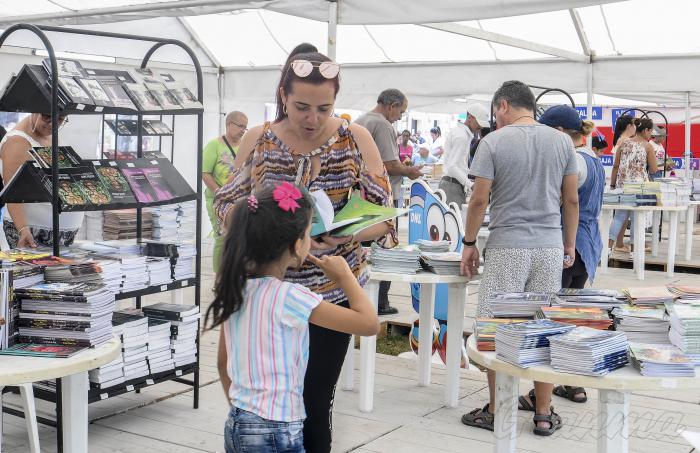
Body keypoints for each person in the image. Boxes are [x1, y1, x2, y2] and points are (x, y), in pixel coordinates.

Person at [214, 49, 396, 453]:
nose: (312, 119)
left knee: (314, 402)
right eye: (300, 107)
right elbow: (227, 206)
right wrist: (264, 230)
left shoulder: (355, 138)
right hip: (262, 293)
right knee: (258, 398)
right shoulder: (257, 138)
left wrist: (346, 237)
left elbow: (386, 218)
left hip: (327, 292)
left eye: (323, 108)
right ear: (282, 95)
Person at [208, 183, 379, 453]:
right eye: (309, 232)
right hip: (277, 427)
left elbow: (222, 363)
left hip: (238, 422)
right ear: (296, 244)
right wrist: (346, 277)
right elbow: (369, 324)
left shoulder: (236, 289)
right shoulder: (291, 297)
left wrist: (247, 417)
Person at [459, 81, 579, 436]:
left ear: (504, 106)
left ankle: (499, 408)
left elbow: (479, 201)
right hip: (548, 246)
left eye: (496, 112)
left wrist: (468, 242)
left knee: (497, 327)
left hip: (507, 245)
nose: (495, 119)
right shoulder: (561, 142)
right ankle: (543, 411)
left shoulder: (492, 142)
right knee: (543, 326)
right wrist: (568, 245)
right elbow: (571, 200)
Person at [536, 104, 604, 405]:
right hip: (588, 244)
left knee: (555, 317)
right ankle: (571, 383)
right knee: (569, 318)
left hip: (570, 242)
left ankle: (549, 390)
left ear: (561, 133)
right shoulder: (593, 158)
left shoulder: (573, 159)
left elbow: (569, 202)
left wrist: (566, 244)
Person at [355, 89, 422, 316]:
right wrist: (409, 171)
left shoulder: (361, 120)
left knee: (360, 250)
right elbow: (389, 165)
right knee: (384, 250)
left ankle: (360, 300)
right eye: (401, 111)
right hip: (380, 198)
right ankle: (380, 303)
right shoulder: (382, 124)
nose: (400, 117)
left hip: (359, 198)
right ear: (391, 105)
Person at [0, 113, 84, 248]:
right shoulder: (17, 142)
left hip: (58, 231)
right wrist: (23, 229)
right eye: (46, 117)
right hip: (32, 231)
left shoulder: (49, 134)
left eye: (60, 119)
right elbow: (13, 194)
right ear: (34, 111)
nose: (52, 124)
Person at [203, 111, 248, 273]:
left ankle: (234, 276)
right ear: (229, 124)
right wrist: (219, 192)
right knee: (222, 237)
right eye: (241, 126)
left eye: (246, 127)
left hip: (240, 199)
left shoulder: (245, 145)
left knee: (240, 238)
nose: (244, 130)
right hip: (218, 199)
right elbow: (205, 172)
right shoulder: (214, 145)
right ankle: (219, 279)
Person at [609, 118, 658, 253]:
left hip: (623, 186)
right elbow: (653, 169)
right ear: (646, 130)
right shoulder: (648, 146)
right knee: (637, 218)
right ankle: (634, 251)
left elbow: (615, 166)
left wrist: (613, 185)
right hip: (640, 187)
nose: (651, 135)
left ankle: (608, 248)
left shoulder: (623, 144)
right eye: (650, 131)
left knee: (619, 217)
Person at [439, 103, 489, 206]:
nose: (480, 127)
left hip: (452, 184)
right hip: (452, 185)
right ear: (470, 117)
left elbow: (458, 165)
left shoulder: (460, 133)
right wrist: (471, 185)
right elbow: (453, 166)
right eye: (478, 123)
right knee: (455, 221)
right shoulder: (461, 136)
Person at [609, 115, 637, 250]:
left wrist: (613, 184)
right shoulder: (628, 142)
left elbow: (616, 166)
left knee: (621, 215)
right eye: (634, 124)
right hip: (630, 184)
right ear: (629, 126)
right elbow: (618, 165)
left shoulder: (620, 140)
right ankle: (633, 246)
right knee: (630, 216)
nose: (636, 127)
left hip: (621, 183)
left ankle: (616, 243)